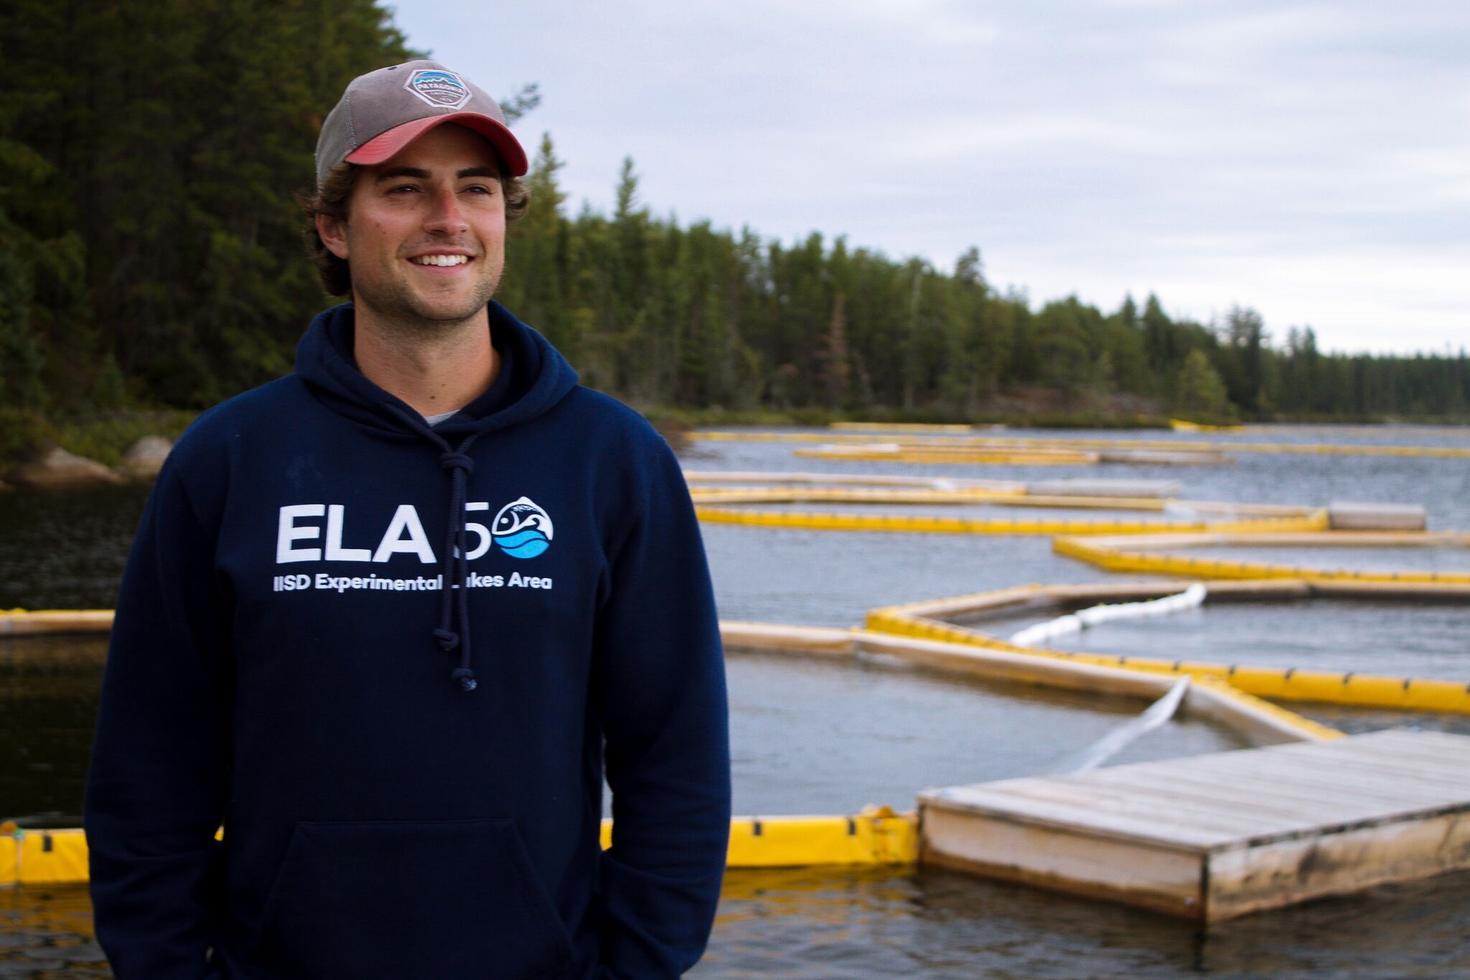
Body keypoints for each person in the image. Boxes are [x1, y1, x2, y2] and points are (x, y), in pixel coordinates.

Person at [84, 59, 731, 979]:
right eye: (403, 188)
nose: (448, 220)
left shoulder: (613, 462)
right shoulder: (228, 460)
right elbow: (148, 762)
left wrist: (631, 966)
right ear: (333, 226)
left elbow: (678, 760)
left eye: (477, 188)